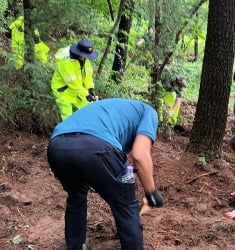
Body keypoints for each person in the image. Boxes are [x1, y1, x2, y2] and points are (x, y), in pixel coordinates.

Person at [47, 98, 164, 250]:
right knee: (125, 202)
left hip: (57, 147)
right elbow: (140, 155)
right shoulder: (149, 112)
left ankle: (76, 246)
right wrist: (151, 192)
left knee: (76, 196)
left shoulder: (115, 108)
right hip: (96, 147)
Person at [51, 40, 99, 121]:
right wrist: (87, 94)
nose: (87, 58)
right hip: (63, 90)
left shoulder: (84, 60)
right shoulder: (66, 62)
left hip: (77, 89)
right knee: (67, 117)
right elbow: (73, 83)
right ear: (80, 53)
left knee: (89, 109)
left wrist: (90, 89)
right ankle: (67, 132)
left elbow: (88, 75)